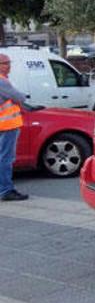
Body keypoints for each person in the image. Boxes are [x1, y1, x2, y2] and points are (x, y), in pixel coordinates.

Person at [0, 53, 28, 201]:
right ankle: (6, 190)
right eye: (5, 63)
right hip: (7, 126)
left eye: (9, 62)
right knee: (6, 158)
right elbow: (20, 97)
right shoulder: (2, 82)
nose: (8, 65)